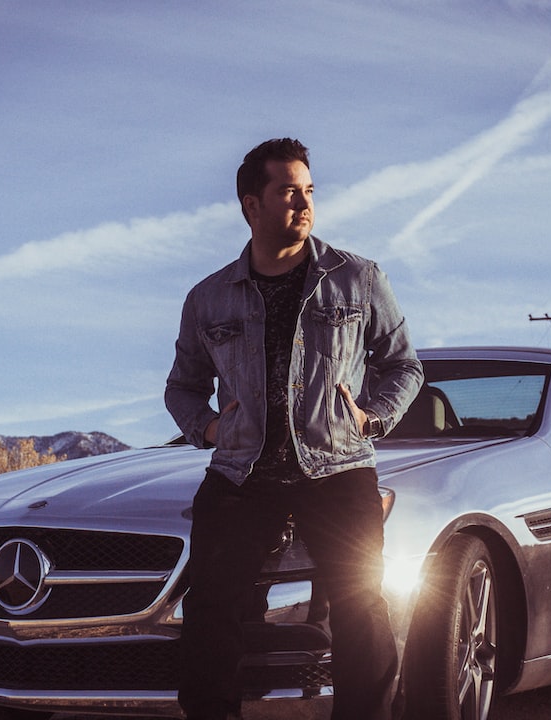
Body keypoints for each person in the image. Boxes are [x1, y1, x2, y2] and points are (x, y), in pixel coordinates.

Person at [165, 138, 423, 720]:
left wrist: (371, 415)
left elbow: (404, 364)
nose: (303, 203)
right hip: (240, 473)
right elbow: (181, 386)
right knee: (209, 610)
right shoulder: (208, 299)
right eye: (288, 192)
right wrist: (206, 428)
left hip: (337, 466)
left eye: (309, 191)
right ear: (251, 205)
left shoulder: (356, 279)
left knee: (361, 608)